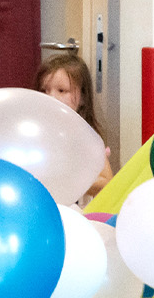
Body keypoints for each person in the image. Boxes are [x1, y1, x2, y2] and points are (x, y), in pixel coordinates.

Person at [36, 50, 116, 200]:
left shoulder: (85, 138)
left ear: (83, 98)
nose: (51, 97)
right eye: (44, 90)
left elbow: (107, 182)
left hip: (74, 212)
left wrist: (70, 177)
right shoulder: (36, 134)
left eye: (62, 90)